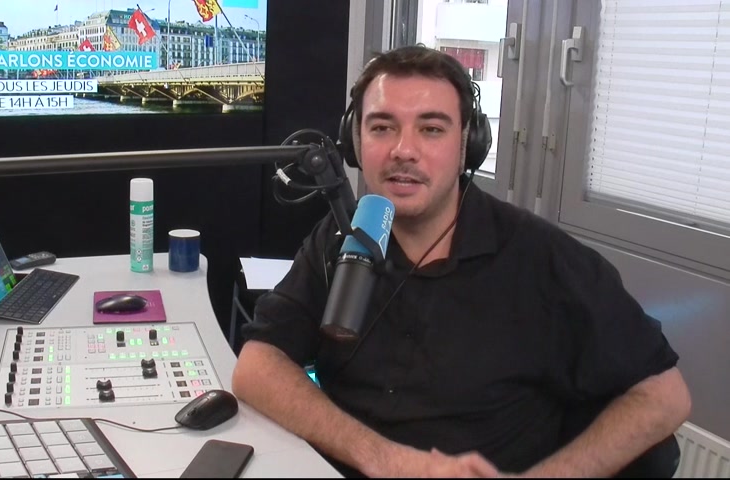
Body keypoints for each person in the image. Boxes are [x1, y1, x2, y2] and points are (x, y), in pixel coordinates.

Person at [231, 45, 691, 478]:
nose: (403, 150)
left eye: (431, 129)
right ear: (355, 142)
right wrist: (384, 459)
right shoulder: (341, 236)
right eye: (382, 127)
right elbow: (257, 365)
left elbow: (665, 396)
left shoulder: (542, 258)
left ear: (467, 145)